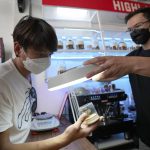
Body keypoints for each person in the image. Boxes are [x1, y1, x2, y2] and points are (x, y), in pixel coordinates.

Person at [0, 16, 99, 150]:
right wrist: (65, 138)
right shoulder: (3, 82)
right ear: (18, 49)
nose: (46, 60)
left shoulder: (26, 73)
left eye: (50, 54)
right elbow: (4, 147)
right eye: (41, 54)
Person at [84, 7, 150, 149]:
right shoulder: (133, 55)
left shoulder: (131, 60)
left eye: (138, 26)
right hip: (145, 134)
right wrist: (92, 73)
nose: (134, 32)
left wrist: (130, 64)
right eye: (130, 30)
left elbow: (134, 65)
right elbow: (110, 75)